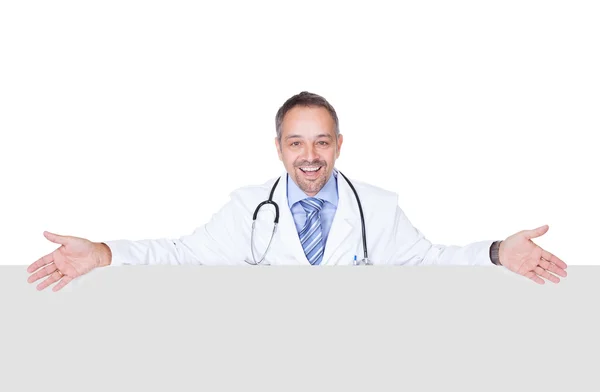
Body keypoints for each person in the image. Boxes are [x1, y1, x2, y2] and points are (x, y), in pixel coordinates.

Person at [26, 91, 568, 292]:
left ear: (338, 145)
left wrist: (498, 252)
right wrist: (102, 253)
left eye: (321, 142)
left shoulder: (377, 206)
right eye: (297, 143)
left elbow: (429, 261)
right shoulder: (248, 207)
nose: (310, 156)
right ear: (279, 148)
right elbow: (181, 255)